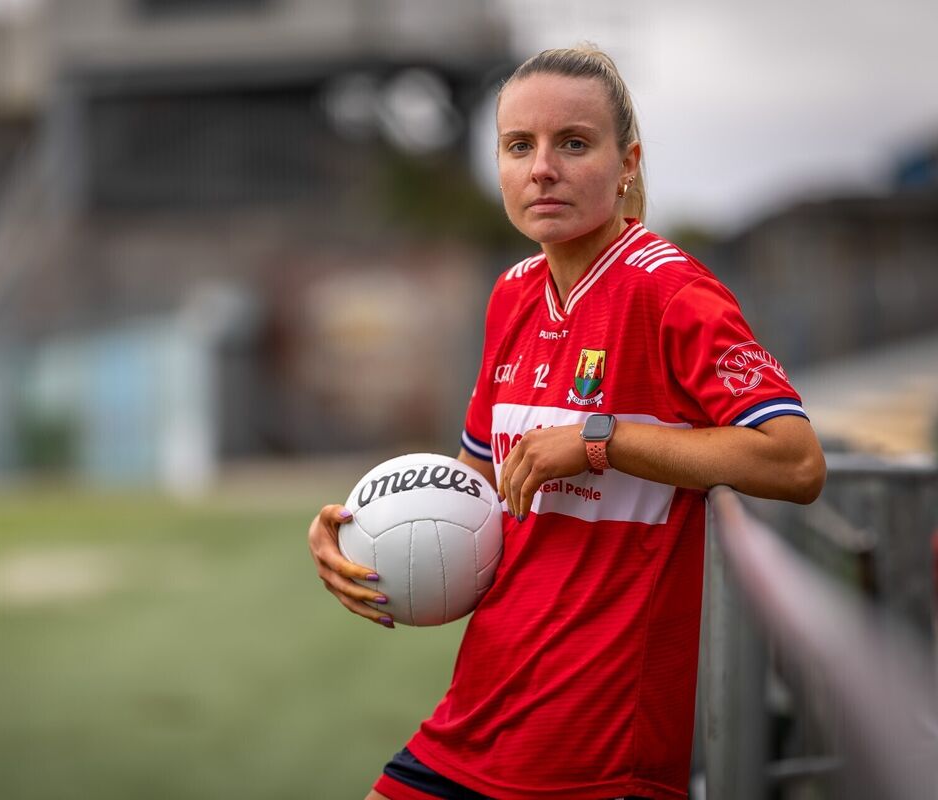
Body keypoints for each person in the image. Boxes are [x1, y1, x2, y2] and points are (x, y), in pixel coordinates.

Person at [307, 45, 826, 800]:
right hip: (482, 707)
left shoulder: (671, 293)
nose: (542, 168)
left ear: (627, 164)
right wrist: (361, 532)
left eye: (573, 143)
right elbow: (478, 492)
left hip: (596, 746)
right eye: (520, 146)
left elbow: (796, 463)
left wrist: (600, 442)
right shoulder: (512, 292)